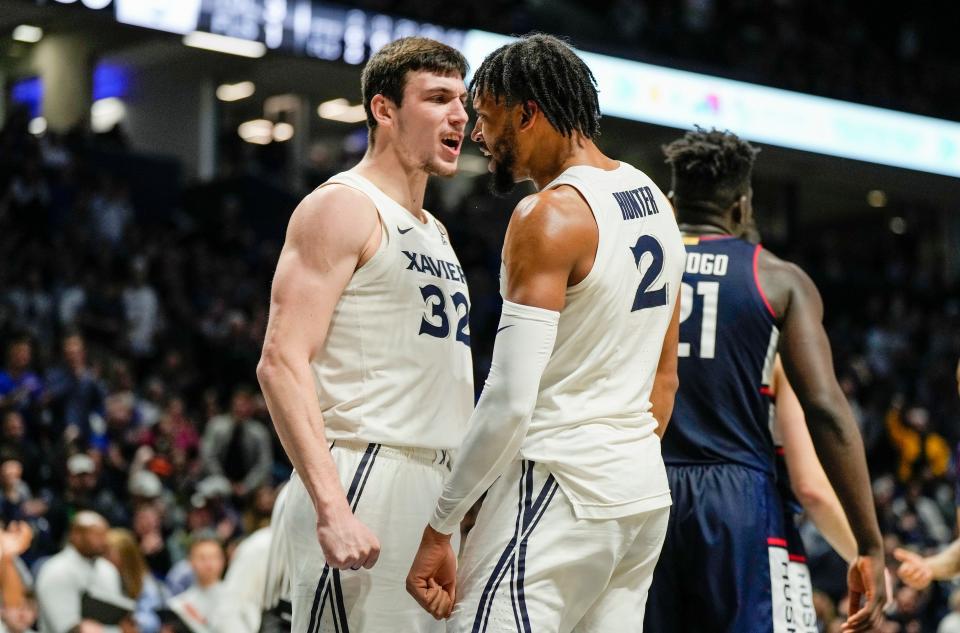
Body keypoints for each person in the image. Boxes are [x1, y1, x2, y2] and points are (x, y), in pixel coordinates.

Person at [408, 33, 684, 631]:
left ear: (527, 113)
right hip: (638, 497)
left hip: (561, 487)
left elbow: (508, 400)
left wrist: (443, 523)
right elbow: (665, 378)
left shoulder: (548, 216)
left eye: (487, 117)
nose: (478, 135)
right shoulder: (656, 202)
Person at [256, 36, 473, 632]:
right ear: (384, 109)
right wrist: (332, 507)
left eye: (462, 99)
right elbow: (280, 361)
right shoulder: (343, 206)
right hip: (365, 473)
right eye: (437, 98)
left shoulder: (438, 233)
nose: (460, 114)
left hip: (432, 483)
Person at [643, 128, 885, 632]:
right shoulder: (777, 278)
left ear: (670, 200)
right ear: (742, 207)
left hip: (640, 482)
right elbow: (823, 406)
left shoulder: (631, 264)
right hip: (736, 495)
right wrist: (869, 543)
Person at [34, 511, 135, 633]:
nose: (103, 541)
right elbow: (67, 628)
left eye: (105, 535)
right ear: (76, 535)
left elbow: (117, 618)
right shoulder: (56, 570)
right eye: (97, 535)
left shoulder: (108, 570)